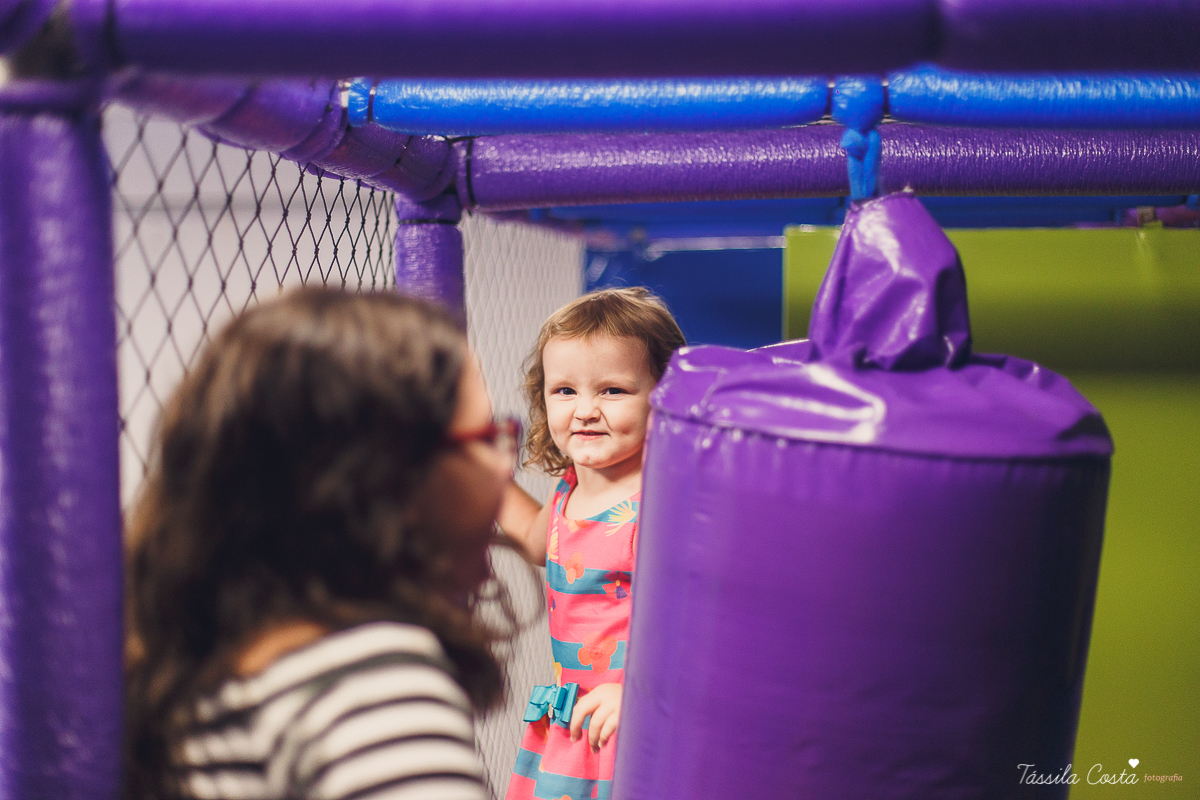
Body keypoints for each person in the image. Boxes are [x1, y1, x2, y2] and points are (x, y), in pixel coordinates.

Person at [123, 287, 523, 800]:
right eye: (486, 437)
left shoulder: (194, 669)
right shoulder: (367, 684)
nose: (506, 466)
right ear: (386, 480)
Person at [498, 288, 686, 800]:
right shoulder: (569, 490)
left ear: (666, 396)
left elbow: (699, 619)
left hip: (635, 718)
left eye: (612, 391)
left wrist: (637, 691)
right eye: (564, 391)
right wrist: (481, 471)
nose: (585, 410)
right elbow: (541, 542)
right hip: (574, 722)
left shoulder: (661, 503)